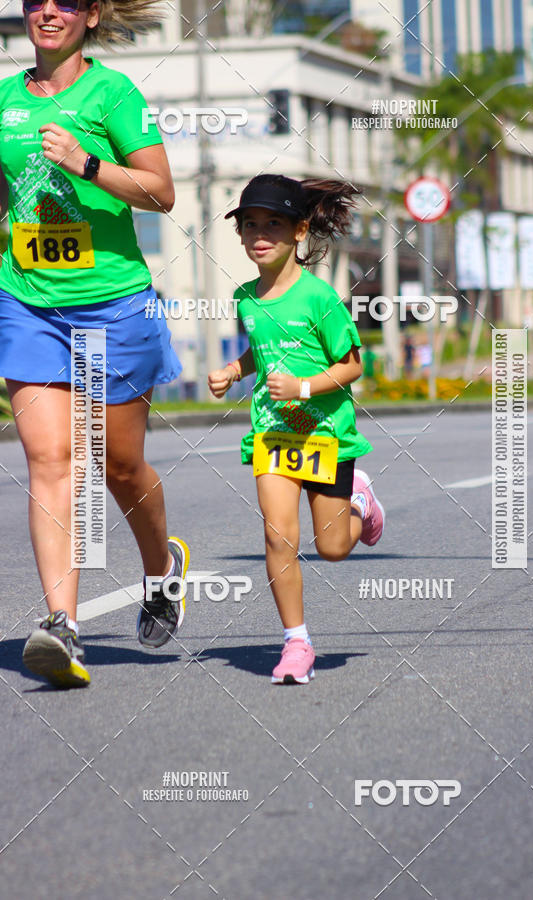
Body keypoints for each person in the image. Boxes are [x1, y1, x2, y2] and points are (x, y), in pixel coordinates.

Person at [0, 0, 189, 689]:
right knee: (50, 460)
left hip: (111, 305)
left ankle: (161, 570)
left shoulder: (112, 94)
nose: (49, 11)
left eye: (67, 1)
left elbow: (161, 192)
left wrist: (85, 163)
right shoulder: (3, 101)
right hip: (26, 301)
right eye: (36, 1)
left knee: (118, 465)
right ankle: (61, 625)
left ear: (91, 17)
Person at [208, 174, 385, 685]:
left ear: (300, 231)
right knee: (277, 535)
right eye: (250, 225)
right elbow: (261, 353)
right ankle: (297, 643)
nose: (259, 235)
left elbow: (352, 366)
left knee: (332, 547)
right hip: (273, 434)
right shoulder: (245, 297)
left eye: (273, 225)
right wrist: (233, 372)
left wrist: (305, 388)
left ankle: (361, 503)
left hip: (326, 434)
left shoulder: (319, 299)